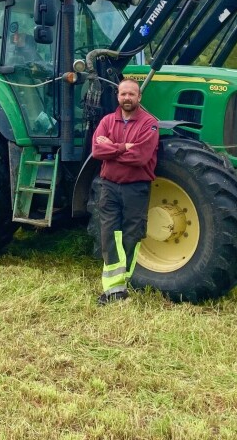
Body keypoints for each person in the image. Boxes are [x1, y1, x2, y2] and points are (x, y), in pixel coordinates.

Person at [91, 78, 159, 305]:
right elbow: (97, 151)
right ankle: (114, 290)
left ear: (139, 97)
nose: (127, 98)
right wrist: (123, 147)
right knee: (109, 235)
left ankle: (122, 284)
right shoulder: (107, 121)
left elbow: (140, 157)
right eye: (123, 94)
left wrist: (111, 148)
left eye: (131, 94)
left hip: (135, 189)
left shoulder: (149, 124)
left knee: (131, 236)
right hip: (109, 187)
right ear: (117, 96)